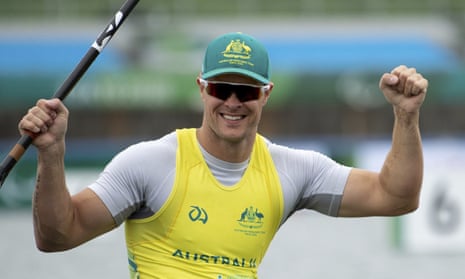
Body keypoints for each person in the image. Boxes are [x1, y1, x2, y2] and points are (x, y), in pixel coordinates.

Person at [19, 32, 428, 279]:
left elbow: (396, 197)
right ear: (201, 88)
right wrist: (52, 154)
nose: (233, 102)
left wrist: (405, 117)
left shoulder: (293, 170)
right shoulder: (149, 163)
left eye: (246, 91)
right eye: (221, 89)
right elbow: (58, 236)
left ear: (266, 94)